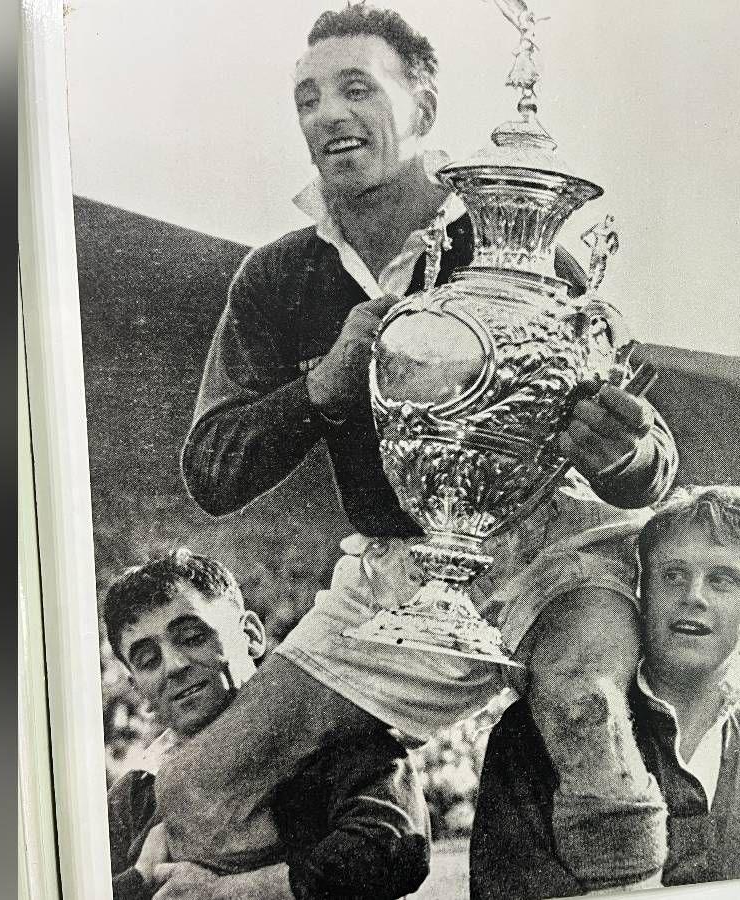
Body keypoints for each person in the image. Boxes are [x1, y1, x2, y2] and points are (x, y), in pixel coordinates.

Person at [166, 4, 680, 892]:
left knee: (582, 706)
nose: (327, 113)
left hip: (546, 557)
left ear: (425, 109)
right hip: (392, 577)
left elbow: (648, 458)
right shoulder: (279, 274)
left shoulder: (516, 249)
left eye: (356, 87)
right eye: (307, 98)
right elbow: (210, 469)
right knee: (195, 789)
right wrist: (318, 389)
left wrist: (621, 454)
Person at [470, 486, 740, 898]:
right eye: (673, 574)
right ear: (642, 589)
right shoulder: (539, 731)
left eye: (722, 580)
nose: (693, 596)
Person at [102, 549, 430, 900]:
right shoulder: (133, 795)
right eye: (149, 660)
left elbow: (395, 846)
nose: (174, 665)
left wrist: (227, 892)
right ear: (138, 688)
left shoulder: (335, 731)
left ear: (252, 635)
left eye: (193, 638)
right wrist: (138, 880)